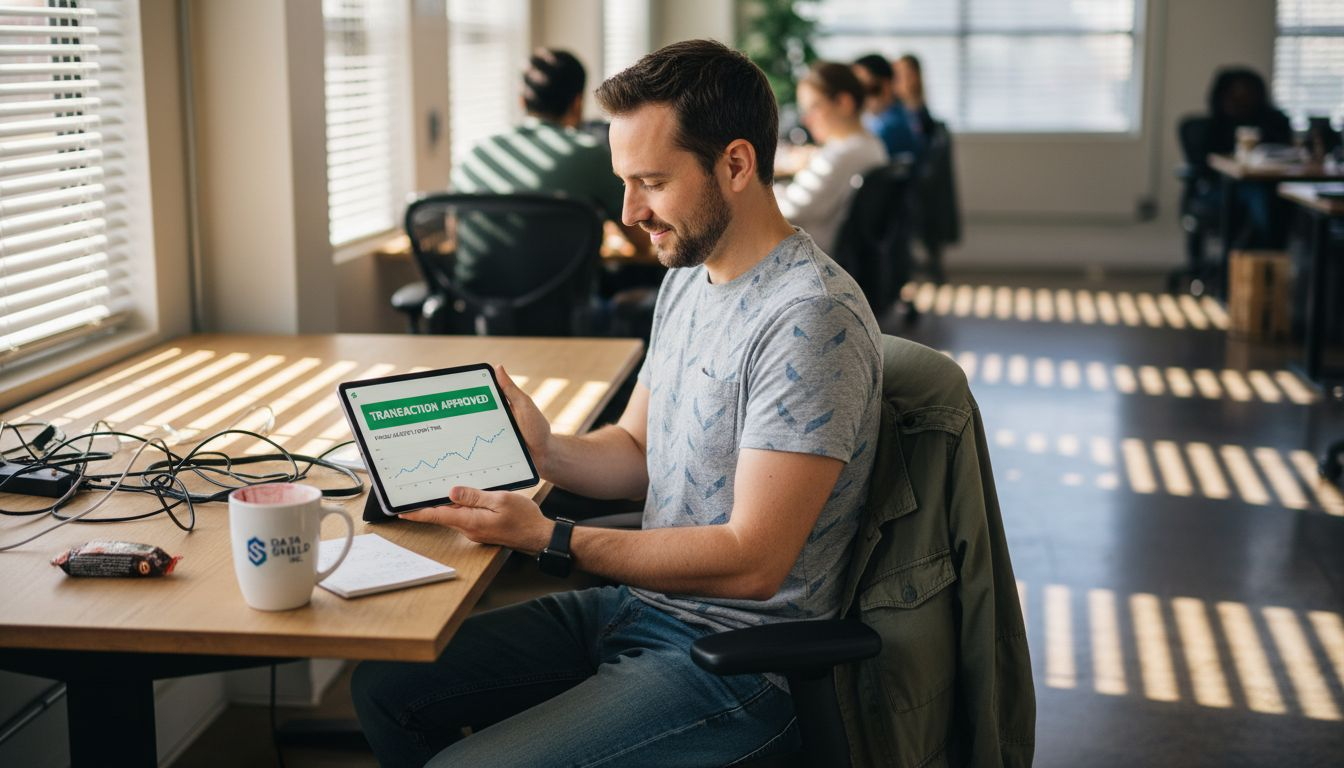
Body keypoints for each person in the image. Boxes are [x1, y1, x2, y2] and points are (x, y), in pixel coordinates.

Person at [351, 39, 883, 767]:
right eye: (623, 182)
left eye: (652, 183)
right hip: (642, 605)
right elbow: (636, 453)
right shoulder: (689, 278)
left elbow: (753, 561)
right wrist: (548, 448)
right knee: (385, 686)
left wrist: (550, 538)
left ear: (735, 164)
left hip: (739, 659)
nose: (630, 211)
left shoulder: (809, 319)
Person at [449, 48, 649, 289]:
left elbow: (455, 238)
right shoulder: (590, 155)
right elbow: (640, 242)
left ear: (522, 101)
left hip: (473, 313)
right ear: (577, 103)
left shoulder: (476, 155)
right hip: (563, 318)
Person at [775, 61, 889, 255]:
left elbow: (789, 210)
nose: (806, 119)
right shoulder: (872, 145)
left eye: (814, 107)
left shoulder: (840, 156)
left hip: (813, 255)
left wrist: (766, 191)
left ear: (844, 103)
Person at [1196, 67, 1293, 247]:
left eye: (1247, 93)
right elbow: (1204, 164)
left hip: (1270, 184)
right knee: (1260, 197)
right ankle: (1262, 256)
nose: (1242, 99)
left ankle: (1267, 258)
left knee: (1283, 199)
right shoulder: (1215, 124)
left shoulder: (1273, 120)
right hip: (1221, 187)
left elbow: (1286, 149)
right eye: (1236, 93)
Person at [851, 53, 920, 160]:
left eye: (869, 88)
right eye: (856, 90)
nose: (862, 97)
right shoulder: (898, 116)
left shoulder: (891, 127)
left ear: (886, 85)